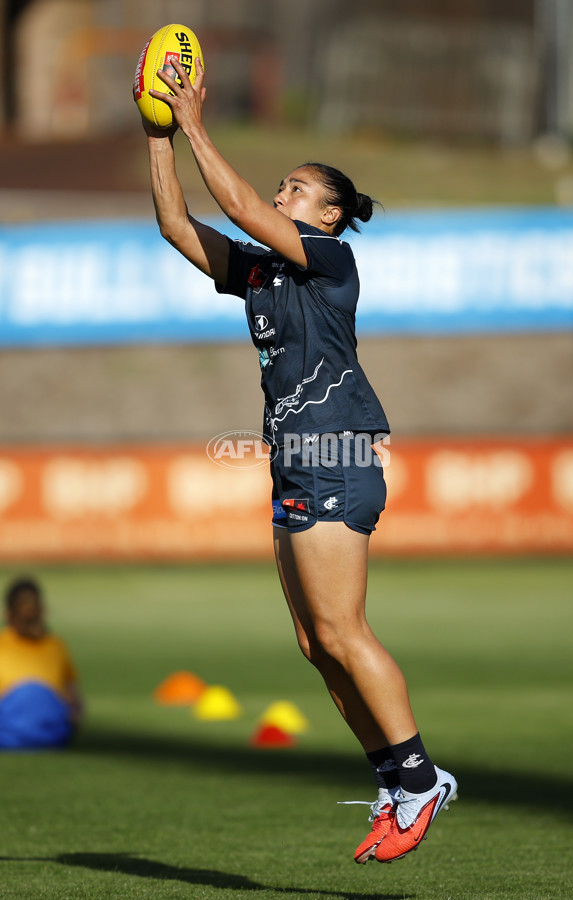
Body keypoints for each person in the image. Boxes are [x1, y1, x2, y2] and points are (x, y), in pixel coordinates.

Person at [141, 56, 457, 864]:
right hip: (295, 464)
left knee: (345, 632)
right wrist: (157, 136)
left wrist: (196, 124)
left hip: (337, 455)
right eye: (282, 186)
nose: (281, 195)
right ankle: (394, 778)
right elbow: (180, 229)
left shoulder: (332, 262)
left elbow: (240, 205)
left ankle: (422, 780)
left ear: (332, 212)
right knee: (316, 646)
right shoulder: (261, 273)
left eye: (296, 188)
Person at [0, 577, 83, 750]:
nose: (31, 612)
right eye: (24, 606)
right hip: (8, 725)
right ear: (10, 614)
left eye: (35, 607)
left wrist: (74, 716)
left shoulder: (55, 645)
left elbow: (74, 698)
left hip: (51, 728)